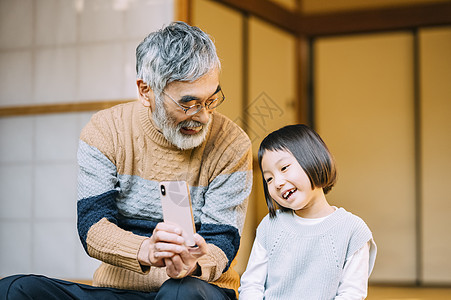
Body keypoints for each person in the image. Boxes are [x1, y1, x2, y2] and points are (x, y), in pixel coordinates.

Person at [0, 21, 252, 300]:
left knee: (180, 292)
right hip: (119, 291)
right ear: (146, 91)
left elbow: (223, 238)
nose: (204, 116)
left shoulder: (231, 143)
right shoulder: (106, 130)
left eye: (211, 100)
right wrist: (147, 250)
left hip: (198, 289)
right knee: (15, 289)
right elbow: (93, 225)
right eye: (188, 103)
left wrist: (193, 265)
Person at [238, 124, 376, 300]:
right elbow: (251, 285)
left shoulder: (353, 230)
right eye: (269, 179)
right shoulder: (270, 226)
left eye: (284, 168)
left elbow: (351, 294)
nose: (278, 182)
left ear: (314, 159)